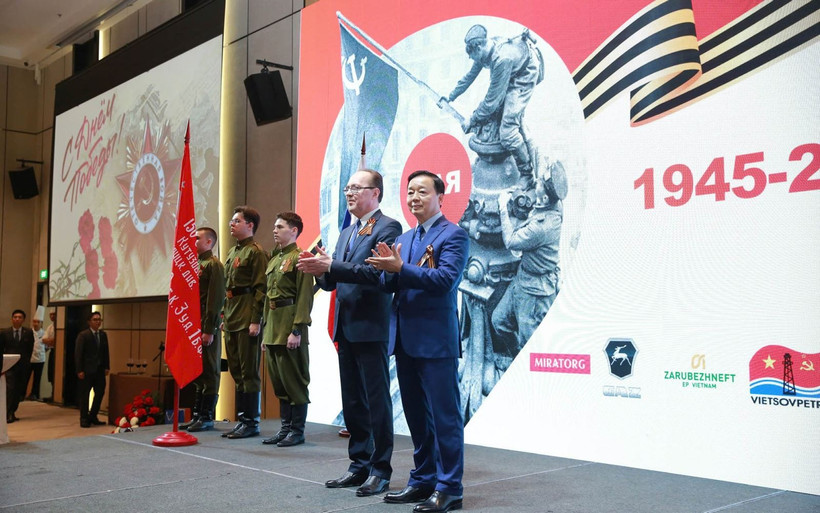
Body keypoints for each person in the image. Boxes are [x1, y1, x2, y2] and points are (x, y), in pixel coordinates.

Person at [366, 170, 469, 513]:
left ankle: (450, 486)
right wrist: (384, 272)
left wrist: (399, 270)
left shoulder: (454, 235)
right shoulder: (407, 238)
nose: (414, 198)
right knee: (416, 419)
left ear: (441, 196)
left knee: (445, 418)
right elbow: (392, 283)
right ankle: (423, 479)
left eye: (422, 192)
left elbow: (444, 280)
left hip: (436, 341)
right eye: (410, 192)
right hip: (405, 340)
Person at [298, 169, 401, 496]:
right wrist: (318, 269)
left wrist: (332, 267)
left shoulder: (388, 226)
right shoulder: (346, 232)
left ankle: (380, 469)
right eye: (347, 188)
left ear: (376, 193)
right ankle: (358, 464)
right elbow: (334, 280)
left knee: (376, 402)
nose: (349, 193)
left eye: (357, 187)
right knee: (353, 402)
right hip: (346, 325)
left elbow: (374, 273)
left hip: (371, 325)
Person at [445, 24, 542, 188]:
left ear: (479, 47)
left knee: (508, 131)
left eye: (474, 56)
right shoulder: (485, 49)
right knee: (500, 117)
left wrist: (473, 120)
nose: (475, 61)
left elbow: (491, 102)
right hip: (513, 71)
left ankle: (527, 175)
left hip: (523, 77)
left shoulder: (501, 59)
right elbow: (470, 76)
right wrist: (451, 96)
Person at [493, 161, 566, 363]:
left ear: (543, 198)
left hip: (535, 293)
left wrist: (502, 208)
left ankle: (528, 375)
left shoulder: (542, 227)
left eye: (539, 185)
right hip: (523, 279)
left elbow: (510, 241)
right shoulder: (554, 204)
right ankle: (517, 360)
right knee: (499, 320)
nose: (537, 184)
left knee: (532, 345)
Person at [262, 212, 314, 447]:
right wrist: (265, 331)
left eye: (280, 226)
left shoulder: (300, 257)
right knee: (280, 383)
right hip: (274, 326)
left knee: (294, 381)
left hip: (290, 325)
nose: (275, 230)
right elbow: (267, 298)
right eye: (274, 226)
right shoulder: (274, 259)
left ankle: (297, 430)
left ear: (293, 230)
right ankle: (285, 429)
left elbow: (304, 297)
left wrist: (297, 330)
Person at [222, 206, 268, 439]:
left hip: (247, 316)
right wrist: (223, 315)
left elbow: (261, 288)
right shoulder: (233, 252)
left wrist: (256, 320)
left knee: (249, 372)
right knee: (236, 370)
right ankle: (242, 419)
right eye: (231, 220)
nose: (231, 224)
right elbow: (227, 288)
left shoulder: (256, 252)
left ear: (250, 225)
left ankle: (251, 421)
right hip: (231, 316)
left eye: (236, 221)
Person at [181, 227, 226, 432]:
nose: (193, 240)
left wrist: (209, 329)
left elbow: (214, 300)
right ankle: (198, 414)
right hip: (193, 326)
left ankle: (207, 416)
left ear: (209, 242)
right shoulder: (195, 264)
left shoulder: (213, 265)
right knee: (198, 372)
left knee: (209, 370)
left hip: (206, 326)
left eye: (197, 238)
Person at [75, 311, 110, 427]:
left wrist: (107, 366)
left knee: (100, 393)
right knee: (85, 395)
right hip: (87, 370)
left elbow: (106, 352)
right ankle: (84, 418)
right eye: (95, 319)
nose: (98, 322)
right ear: (89, 322)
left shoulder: (103, 335)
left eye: (99, 319)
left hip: (99, 370)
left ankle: (93, 415)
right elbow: (78, 354)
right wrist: (79, 370)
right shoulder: (83, 335)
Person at [2, 309, 34, 423]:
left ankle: (13, 411)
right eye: (15, 317)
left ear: (23, 319)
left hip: (23, 366)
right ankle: (7, 413)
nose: (17, 319)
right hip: (9, 366)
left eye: (19, 317)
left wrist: (27, 362)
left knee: (19, 390)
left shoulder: (28, 332)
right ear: (12, 319)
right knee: (10, 389)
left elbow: (30, 348)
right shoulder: (5, 332)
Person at [26, 307, 46, 401]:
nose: (36, 324)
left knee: (37, 379)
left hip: (40, 359)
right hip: (29, 358)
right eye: (34, 321)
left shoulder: (44, 333)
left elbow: (47, 347)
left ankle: (35, 394)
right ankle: (22, 394)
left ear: (41, 323)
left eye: (38, 322)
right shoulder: (29, 332)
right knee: (26, 377)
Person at [42, 310, 57, 401]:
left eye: (53, 314)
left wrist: (51, 340)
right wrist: (52, 340)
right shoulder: (50, 327)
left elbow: (58, 340)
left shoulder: (59, 326)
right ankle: (52, 393)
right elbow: (44, 340)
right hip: (52, 351)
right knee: (51, 373)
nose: (52, 316)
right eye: (50, 314)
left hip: (58, 352)